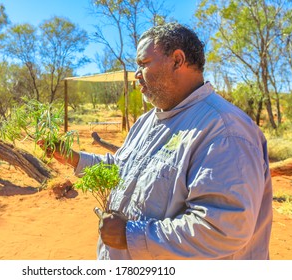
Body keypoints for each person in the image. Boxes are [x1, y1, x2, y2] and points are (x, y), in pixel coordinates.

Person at [41, 22, 273, 260]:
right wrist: (74, 158)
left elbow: (222, 229)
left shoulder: (224, 131)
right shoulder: (147, 121)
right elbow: (120, 170)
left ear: (177, 60)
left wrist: (130, 236)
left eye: (143, 64)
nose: (137, 74)